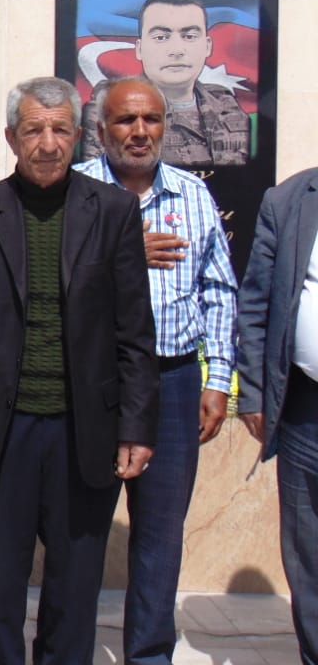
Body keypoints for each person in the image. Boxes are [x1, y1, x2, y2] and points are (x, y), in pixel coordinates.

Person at [0, 75, 159, 665]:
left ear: (79, 136)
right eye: (34, 130)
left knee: (74, 591)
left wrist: (136, 426)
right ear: (12, 138)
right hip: (0, 435)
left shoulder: (113, 211)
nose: (48, 143)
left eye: (60, 130)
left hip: (85, 432)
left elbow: (135, 332)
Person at [76, 76, 237, 665]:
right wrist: (121, 250)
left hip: (173, 382)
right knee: (80, 531)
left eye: (151, 120)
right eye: (126, 121)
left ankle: (148, 655)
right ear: (101, 131)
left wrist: (217, 379)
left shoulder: (193, 195)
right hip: (92, 384)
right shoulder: (74, 191)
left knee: (161, 534)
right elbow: (45, 279)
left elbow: (220, 291)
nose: (140, 132)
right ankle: (70, 650)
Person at [236, 166, 318, 664]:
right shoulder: (288, 201)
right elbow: (255, 303)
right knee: (308, 552)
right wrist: (253, 393)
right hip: (305, 410)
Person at [81, 0, 250, 166]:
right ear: (139, 49)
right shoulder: (110, 103)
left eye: (189, 36)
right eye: (161, 37)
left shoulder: (225, 103)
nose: (177, 50)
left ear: (207, 46)